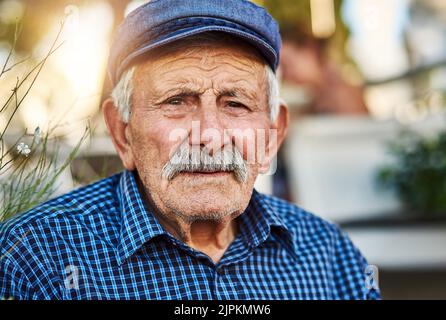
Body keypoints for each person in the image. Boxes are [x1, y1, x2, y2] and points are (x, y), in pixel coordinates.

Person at [0, 0, 380, 300]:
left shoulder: (331, 258)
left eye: (236, 104)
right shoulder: (36, 258)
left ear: (273, 134)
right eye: (177, 101)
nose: (210, 136)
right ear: (122, 132)